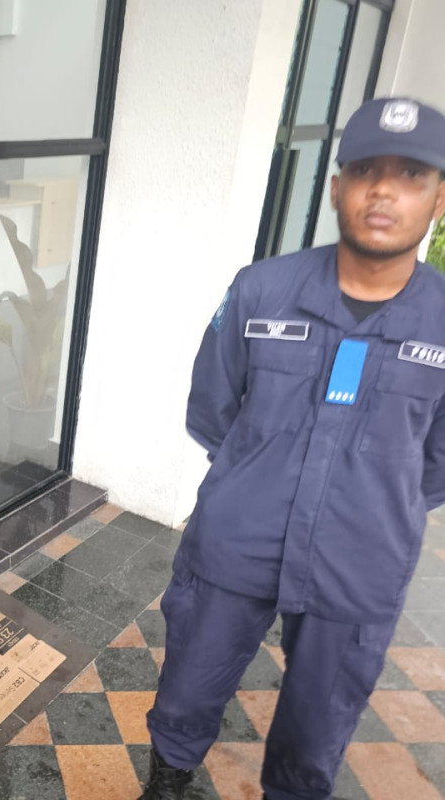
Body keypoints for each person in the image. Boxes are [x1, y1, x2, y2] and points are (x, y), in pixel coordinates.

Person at [139, 96, 445, 800]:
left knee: (317, 719)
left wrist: (379, 498)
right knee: (189, 682)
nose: (382, 190)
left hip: (361, 552)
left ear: (437, 199)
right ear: (335, 186)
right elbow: (212, 407)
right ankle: (167, 781)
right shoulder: (261, 291)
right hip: (237, 538)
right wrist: (257, 478)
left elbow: (437, 461)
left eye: (410, 175)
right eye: (364, 169)